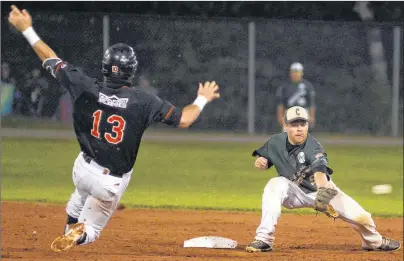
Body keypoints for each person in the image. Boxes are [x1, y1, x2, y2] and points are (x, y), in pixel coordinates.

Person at [8, 5, 220, 253]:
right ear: (132, 70)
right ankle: (79, 233)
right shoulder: (144, 101)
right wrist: (202, 98)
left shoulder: (84, 86)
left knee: (80, 192)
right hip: (109, 182)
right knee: (93, 231)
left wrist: (27, 30)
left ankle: (70, 226)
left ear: (105, 67)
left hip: (82, 169)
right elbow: (184, 119)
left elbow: (50, 58)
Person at [245, 106, 401, 253]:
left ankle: (373, 242)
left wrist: (322, 191)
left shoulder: (314, 147)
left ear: (308, 125)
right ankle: (264, 239)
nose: (299, 128)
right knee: (274, 184)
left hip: (322, 191)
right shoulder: (275, 142)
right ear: (285, 126)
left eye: (303, 123)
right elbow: (264, 157)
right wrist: (262, 162)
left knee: (363, 218)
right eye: (294, 124)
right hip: (293, 191)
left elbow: (320, 171)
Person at [276, 62, 316, 131]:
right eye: (294, 72)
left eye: (297, 72)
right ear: (290, 73)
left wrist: (312, 116)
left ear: (302, 73)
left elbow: (311, 103)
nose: (295, 74)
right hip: (289, 112)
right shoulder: (285, 86)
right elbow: (280, 103)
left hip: (303, 113)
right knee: (287, 137)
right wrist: (280, 117)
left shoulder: (308, 86)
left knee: (302, 137)